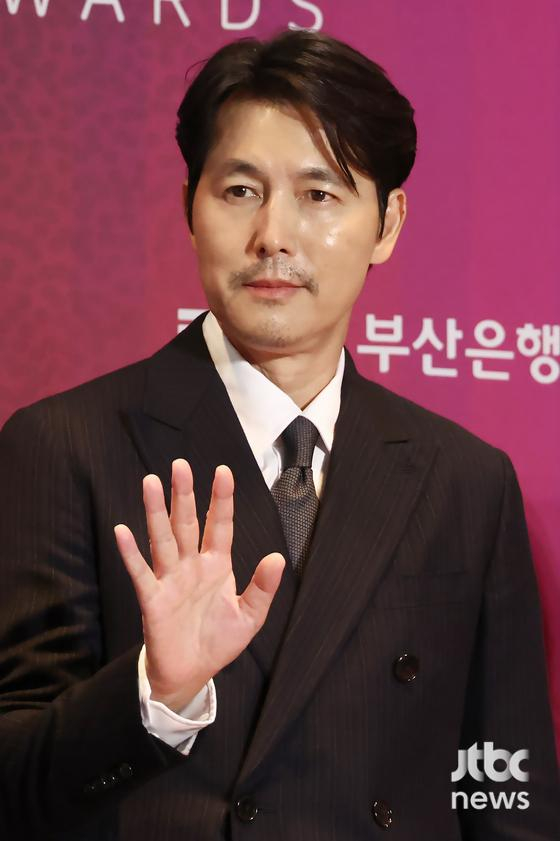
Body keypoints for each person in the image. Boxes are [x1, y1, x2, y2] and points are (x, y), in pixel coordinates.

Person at [0, 29, 558, 841]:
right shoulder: (64, 446)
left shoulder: (466, 482)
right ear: (189, 208)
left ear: (388, 223)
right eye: (239, 190)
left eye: (319, 194)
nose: (274, 236)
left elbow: (504, 790)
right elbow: (12, 785)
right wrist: (156, 695)